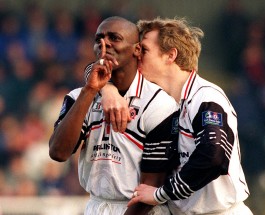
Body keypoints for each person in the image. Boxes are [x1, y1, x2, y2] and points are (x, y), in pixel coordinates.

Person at [102, 17, 253, 214]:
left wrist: (160, 194)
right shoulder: (166, 102)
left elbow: (213, 156)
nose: (137, 55)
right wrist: (107, 88)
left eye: (145, 50)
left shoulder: (205, 96)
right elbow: (97, 70)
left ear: (170, 55)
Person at [49, 16, 179, 215]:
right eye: (98, 39)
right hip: (96, 205)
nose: (104, 43)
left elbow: (152, 186)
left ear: (137, 49)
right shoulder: (78, 97)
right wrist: (91, 90)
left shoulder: (159, 104)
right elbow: (58, 152)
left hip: (140, 209)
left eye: (114, 38)